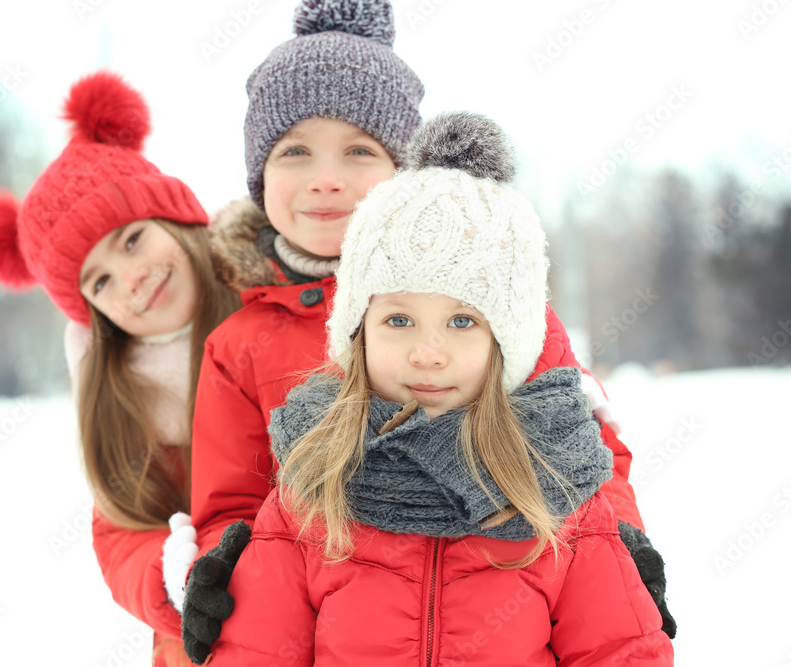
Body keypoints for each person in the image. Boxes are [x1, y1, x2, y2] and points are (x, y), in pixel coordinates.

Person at [182, 0, 672, 661]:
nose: (326, 180)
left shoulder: (501, 297)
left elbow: (578, 449)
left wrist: (623, 545)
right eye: (295, 150)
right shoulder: (237, 338)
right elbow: (233, 501)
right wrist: (220, 571)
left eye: (359, 149)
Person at [0, 71, 240, 667]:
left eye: (134, 240)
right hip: (210, 646)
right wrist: (177, 579)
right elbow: (121, 537)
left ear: (179, 220)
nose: (131, 278)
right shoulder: (124, 405)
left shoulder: (276, 310)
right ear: (92, 313)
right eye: (101, 281)